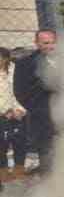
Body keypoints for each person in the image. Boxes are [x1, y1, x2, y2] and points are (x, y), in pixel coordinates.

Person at [12, 29, 58, 174]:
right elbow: (19, 91)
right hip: (43, 117)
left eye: (52, 42)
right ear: (37, 43)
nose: (50, 46)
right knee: (46, 152)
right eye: (45, 43)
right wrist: (38, 109)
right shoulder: (25, 63)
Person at [0, 47, 26, 171]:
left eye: (1, 59)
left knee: (19, 142)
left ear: (7, 59)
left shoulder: (16, 71)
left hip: (17, 112)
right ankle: (3, 171)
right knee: (2, 144)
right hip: (2, 114)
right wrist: (4, 111)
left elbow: (21, 92)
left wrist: (19, 109)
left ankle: (19, 170)